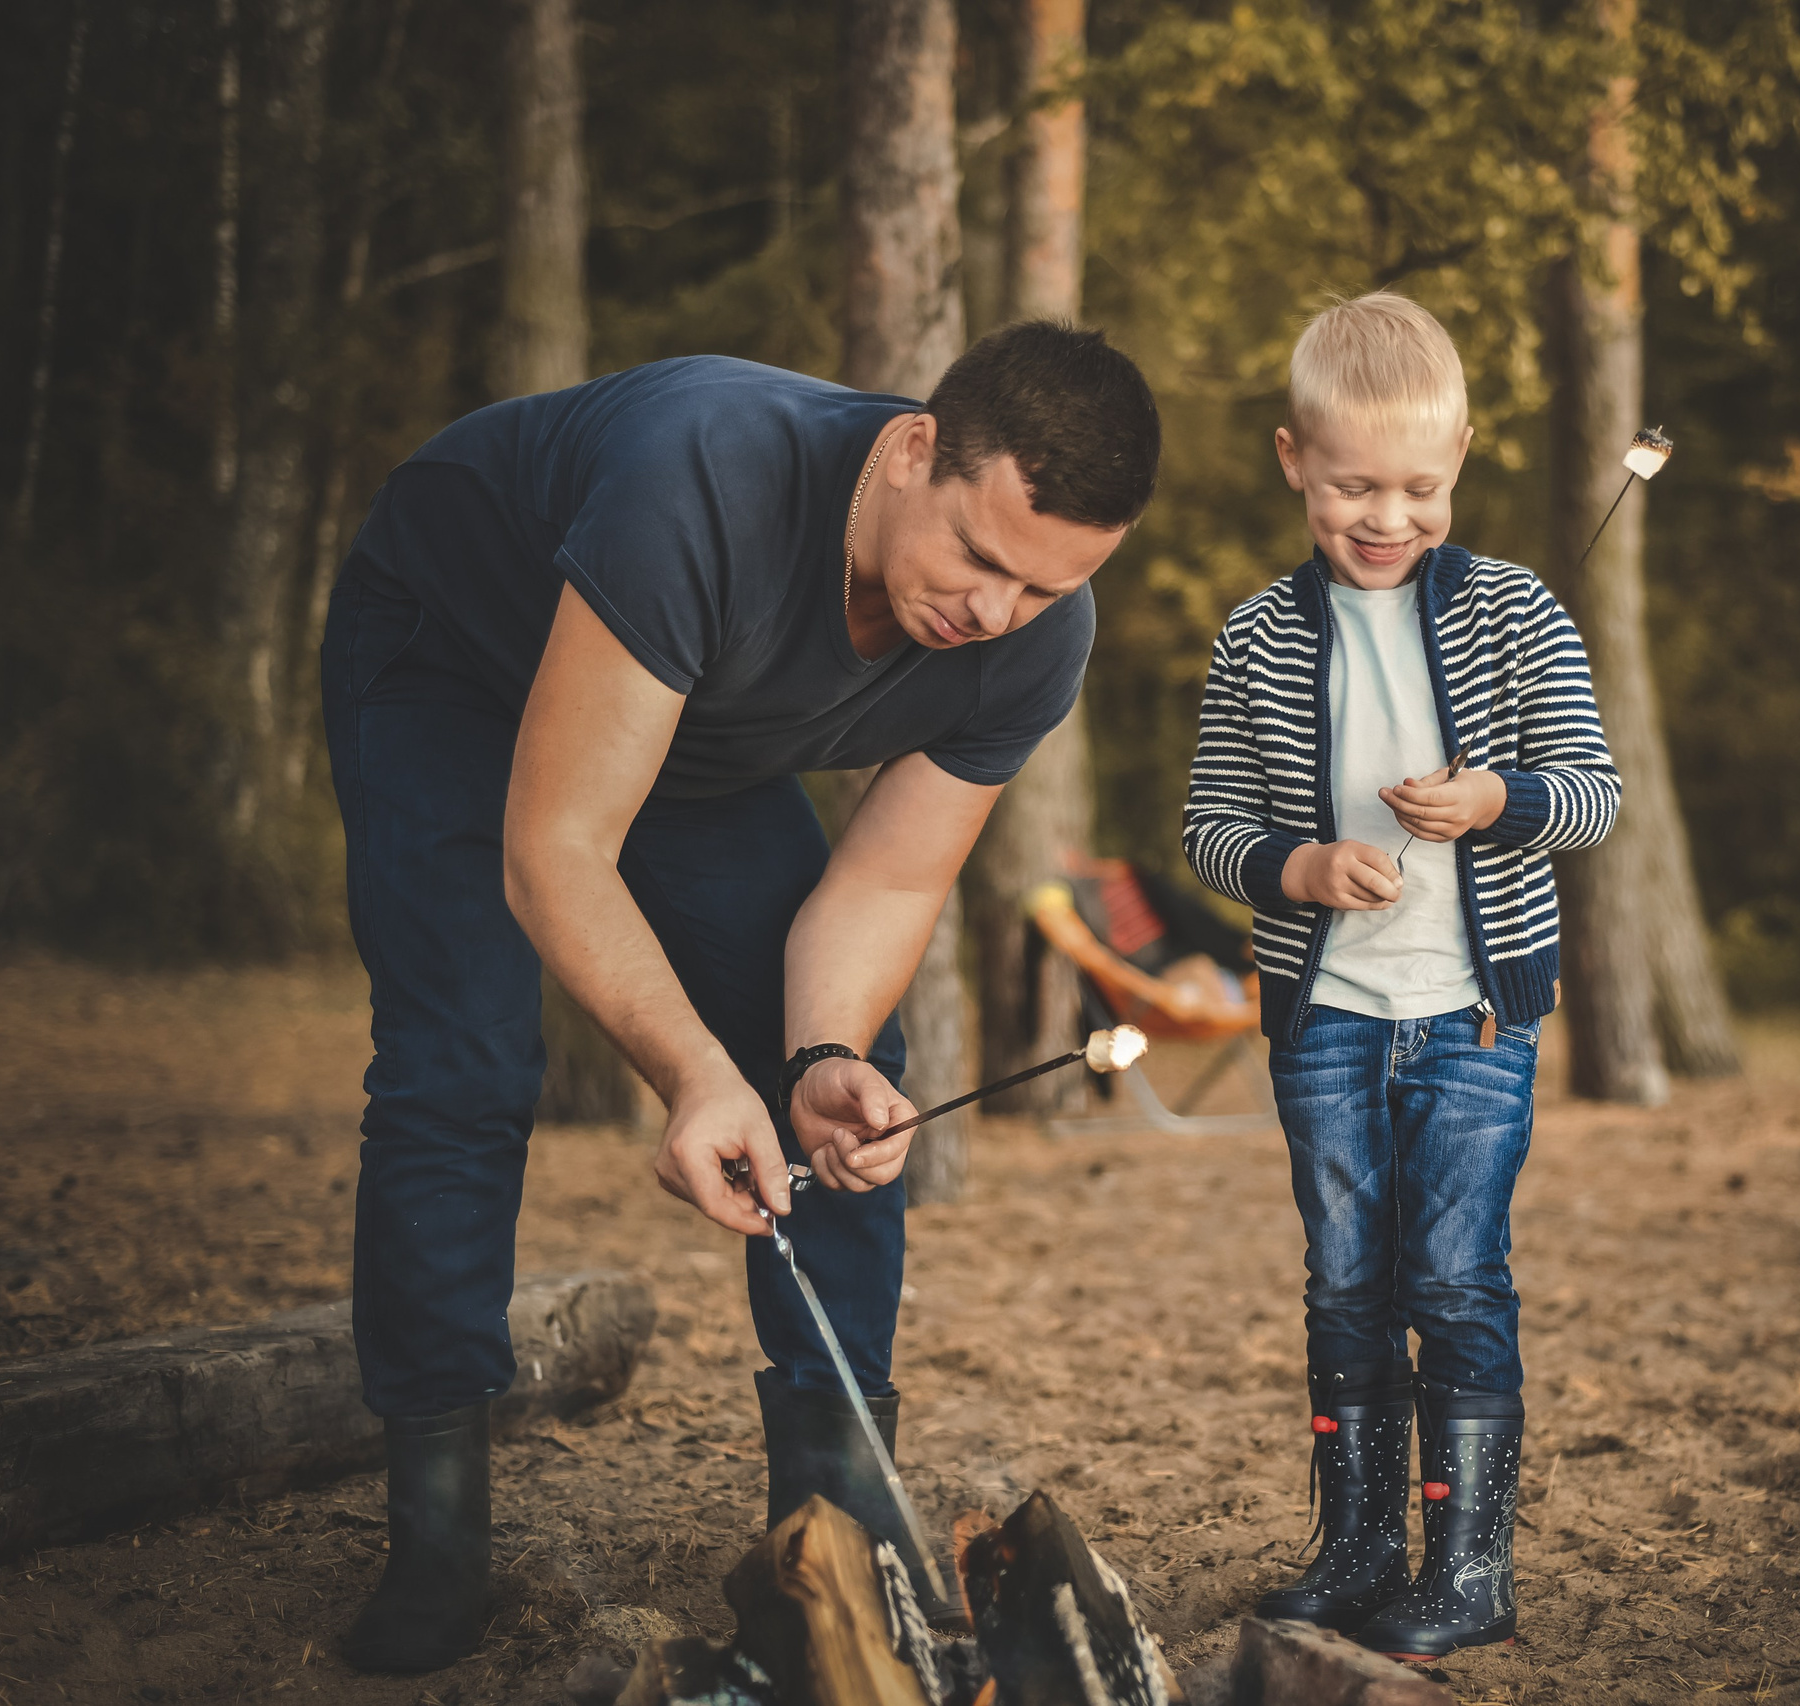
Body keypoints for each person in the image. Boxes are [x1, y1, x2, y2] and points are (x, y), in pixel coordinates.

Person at [321, 323, 1159, 1672]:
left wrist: (810, 1050)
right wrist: (693, 1070)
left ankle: (833, 1523)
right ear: (911, 452)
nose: (995, 613)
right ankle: (436, 1534)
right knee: (462, 1060)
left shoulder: (1030, 638)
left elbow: (884, 890)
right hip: (449, 656)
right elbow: (557, 850)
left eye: (1045, 588)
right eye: (981, 560)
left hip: (689, 723)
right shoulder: (700, 479)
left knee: (846, 1073)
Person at [1179, 293, 1619, 1659]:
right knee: (1344, 1281)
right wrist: (1298, 872)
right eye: (1356, 483)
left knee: (1455, 1276)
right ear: (1292, 458)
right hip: (1325, 1019)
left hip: (1473, 1012)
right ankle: (1363, 1549)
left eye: (1420, 485)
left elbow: (1594, 797)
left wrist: (1496, 797)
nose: (1388, 515)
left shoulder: (1516, 611)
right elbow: (1209, 826)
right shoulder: (1256, 633)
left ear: (1463, 460)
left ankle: (1469, 1567)